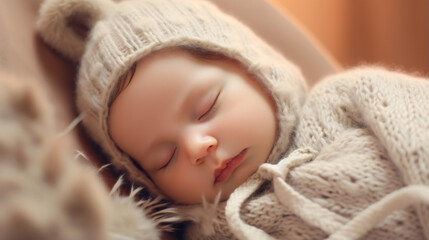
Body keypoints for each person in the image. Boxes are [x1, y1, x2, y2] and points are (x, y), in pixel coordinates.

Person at [37, 0, 429, 239]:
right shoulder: (213, 229)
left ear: (254, 68)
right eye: (164, 158)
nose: (196, 147)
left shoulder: (342, 100)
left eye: (207, 107)